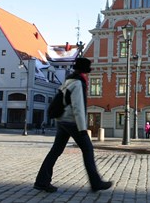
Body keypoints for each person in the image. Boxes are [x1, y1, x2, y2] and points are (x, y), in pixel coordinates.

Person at [34, 58, 112, 193]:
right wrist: (82, 128)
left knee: (55, 151)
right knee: (88, 149)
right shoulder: (78, 83)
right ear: (84, 71)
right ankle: (96, 182)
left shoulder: (69, 80)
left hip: (62, 120)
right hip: (71, 121)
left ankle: (41, 181)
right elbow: (78, 107)